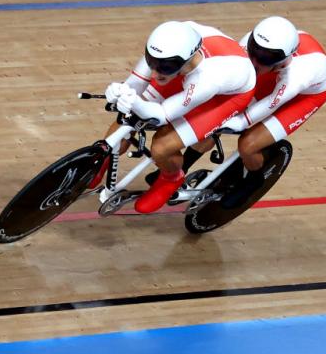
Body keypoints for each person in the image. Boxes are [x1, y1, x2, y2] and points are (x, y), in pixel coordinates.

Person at [94, 20, 256, 214]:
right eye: (151, 62)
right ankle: (99, 160)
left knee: (161, 146)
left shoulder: (208, 78)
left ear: (185, 60)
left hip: (226, 96)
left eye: (162, 67)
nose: (154, 72)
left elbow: (163, 115)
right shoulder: (167, 47)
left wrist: (134, 102)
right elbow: (135, 85)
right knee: (130, 117)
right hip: (188, 74)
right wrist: (121, 91)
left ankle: (171, 178)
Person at [217, 16, 326, 206]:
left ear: (283, 59)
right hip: (272, 74)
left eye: (265, 57)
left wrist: (237, 122)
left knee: (248, 144)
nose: (255, 60)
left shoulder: (298, 74)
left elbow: (270, 104)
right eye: (254, 51)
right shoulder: (249, 45)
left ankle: (254, 180)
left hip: (305, 96)